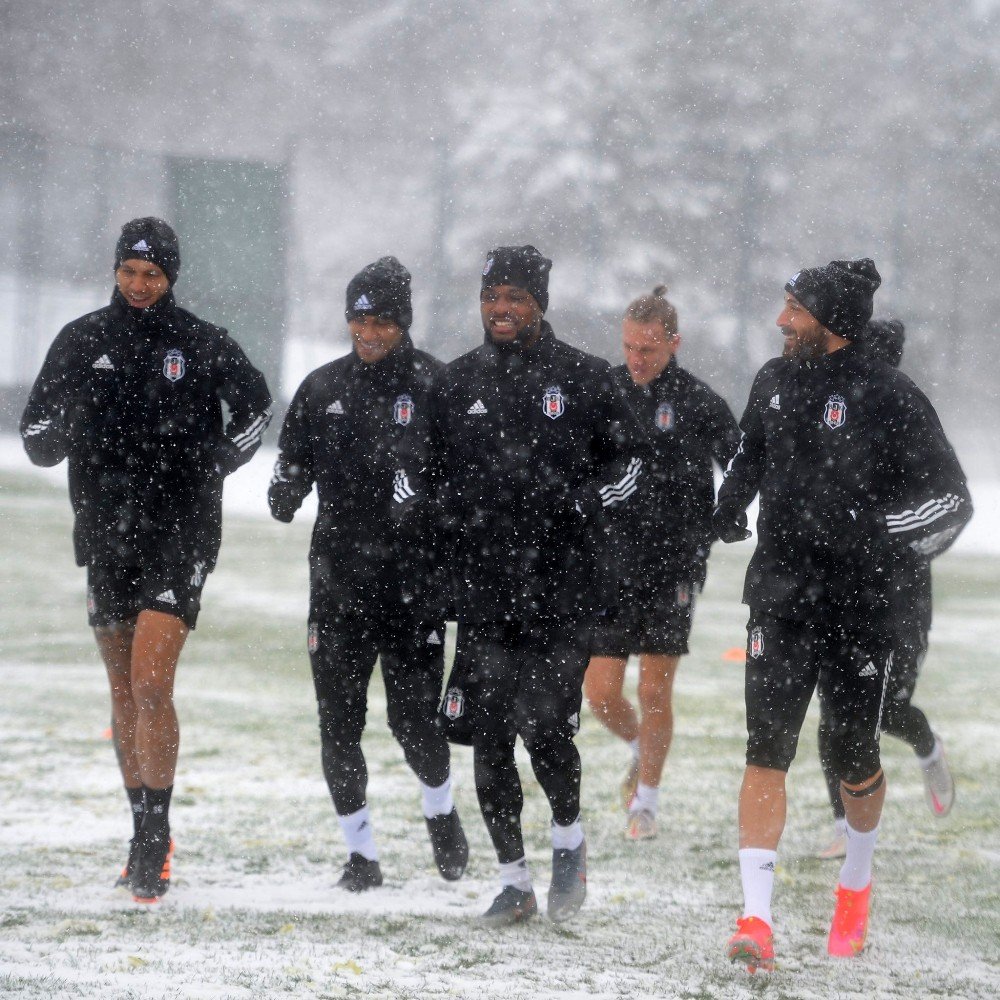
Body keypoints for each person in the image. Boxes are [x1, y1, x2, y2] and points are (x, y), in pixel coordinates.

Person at [712, 259, 971, 971]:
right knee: (766, 750)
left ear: (828, 320)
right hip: (780, 597)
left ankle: (854, 882)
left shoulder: (891, 395)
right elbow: (749, 456)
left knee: (850, 755)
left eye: (792, 308)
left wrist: (882, 540)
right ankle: (755, 921)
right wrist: (731, 501)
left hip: (863, 607)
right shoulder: (771, 380)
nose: (779, 320)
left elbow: (951, 500)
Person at [20, 217, 272, 903]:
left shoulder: (202, 342)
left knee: (153, 684)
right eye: (130, 272)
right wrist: (68, 425)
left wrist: (216, 464)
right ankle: (138, 825)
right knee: (124, 690)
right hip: (105, 532)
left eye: (152, 275)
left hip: (180, 532)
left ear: (171, 278)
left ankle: (155, 837)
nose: (139, 285)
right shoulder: (81, 341)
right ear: (115, 270)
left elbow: (256, 408)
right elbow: (36, 437)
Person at [394, 245, 647, 925]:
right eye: (491, 297)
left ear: (540, 302)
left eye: (515, 298)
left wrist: (583, 506)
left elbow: (629, 469)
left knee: (545, 733)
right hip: (482, 594)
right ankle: (513, 881)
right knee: (487, 738)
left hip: (559, 595)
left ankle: (569, 841)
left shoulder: (588, 380)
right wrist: (424, 514)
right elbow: (419, 472)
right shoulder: (453, 384)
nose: (501, 310)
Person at [268, 256, 468, 891]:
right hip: (337, 585)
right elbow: (291, 463)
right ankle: (362, 855)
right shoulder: (323, 387)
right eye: (360, 319)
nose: (370, 332)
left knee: (412, 724)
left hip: (414, 590)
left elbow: (466, 487)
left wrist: (430, 506)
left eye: (382, 321)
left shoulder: (440, 387)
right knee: (339, 723)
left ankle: (440, 809)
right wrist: (286, 487)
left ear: (403, 323)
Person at [584, 286, 739, 841]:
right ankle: (637, 748)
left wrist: (729, 516)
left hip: (672, 567)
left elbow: (743, 466)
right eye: (629, 347)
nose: (636, 359)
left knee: (654, 691)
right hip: (608, 564)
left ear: (674, 343)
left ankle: (645, 802)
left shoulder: (699, 402)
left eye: (648, 348)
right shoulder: (603, 393)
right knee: (599, 692)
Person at [816, 318, 956, 860]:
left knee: (888, 710)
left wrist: (888, 541)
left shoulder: (910, 422)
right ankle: (842, 824)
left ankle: (926, 748)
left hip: (901, 595)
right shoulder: (835, 426)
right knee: (835, 714)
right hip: (837, 593)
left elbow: (943, 507)